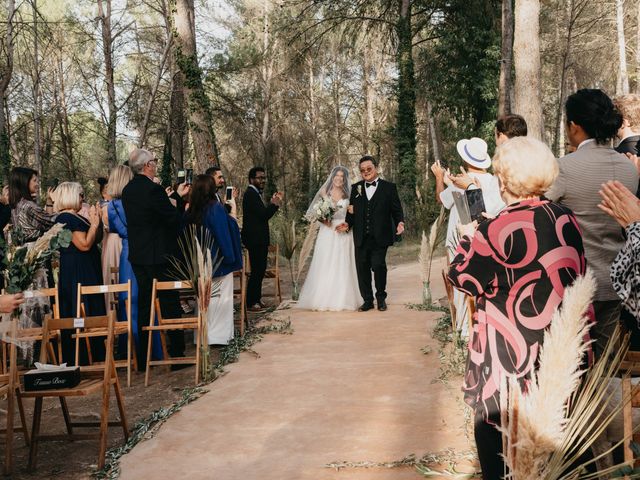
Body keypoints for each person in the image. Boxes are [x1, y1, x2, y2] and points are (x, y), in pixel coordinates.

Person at [447, 137, 588, 479]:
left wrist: (468, 236)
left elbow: (462, 277)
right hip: (560, 351)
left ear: (503, 180)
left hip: (507, 363)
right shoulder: (566, 218)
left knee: (498, 447)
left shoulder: (496, 227)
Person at [546, 88, 639, 358]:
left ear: (574, 126)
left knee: (574, 356)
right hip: (615, 280)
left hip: (576, 280)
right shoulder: (627, 168)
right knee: (608, 360)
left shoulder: (563, 167)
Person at [121, 148, 190, 370]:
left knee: (144, 304)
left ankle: (143, 358)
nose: (156, 164)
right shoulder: (154, 190)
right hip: (160, 255)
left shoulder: (128, 191)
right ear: (147, 165)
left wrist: (175, 197)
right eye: (154, 161)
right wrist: (184, 210)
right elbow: (170, 219)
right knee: (170, 301)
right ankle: (177, 354)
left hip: (139, 255)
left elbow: (151, 214)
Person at [339, 155, 404, 312]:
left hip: (380, 236)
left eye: (369, 169)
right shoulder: (356, 188)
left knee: (378, 266)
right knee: (362, 268)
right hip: (361, 236)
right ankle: (367, 300)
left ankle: (381, 298)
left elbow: (396, 209)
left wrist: (400, 222)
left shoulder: (389, 187)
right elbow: (352, 211)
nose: (366, 172)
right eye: (363, 170)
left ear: (376, 168)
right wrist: (347, 224)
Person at [184, 175, 242, 344]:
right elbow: (222, 233)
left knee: (203, 300)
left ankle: (202, 336)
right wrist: (230, 257)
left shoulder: (190, 211)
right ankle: (219, 336)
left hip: (198, 263)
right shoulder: (214, 208)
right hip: (217, 261)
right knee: (220, 299)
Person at [297, 166, 363, 311]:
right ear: (332, 177)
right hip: (328, 232)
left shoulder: (349, 193)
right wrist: (326, 222)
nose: (339, 178)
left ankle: (345, 297)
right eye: (337, 176)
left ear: (345, 179)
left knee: (344, 263)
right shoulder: (324, 192)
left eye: (342, 176)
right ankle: (324, 297)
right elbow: (316, 213)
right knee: (326, 263)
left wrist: (347, 225)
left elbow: (353, 212)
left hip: (345, 230)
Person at [54, 182, 106, 365]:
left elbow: (95, 238)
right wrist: (93, 224)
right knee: (83, 306)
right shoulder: (67, 218)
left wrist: (97, 222)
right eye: (80, 194)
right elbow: (84, 245)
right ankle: (84, 354)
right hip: (78, 270)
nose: (83, 198)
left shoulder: (74, 216)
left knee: (92, 305)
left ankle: (96, 350)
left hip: (85, 267)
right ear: (70, 196)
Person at [241, 167, 282, 312]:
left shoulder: (255, 194)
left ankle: (256, 299)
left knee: (260, 270)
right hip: (255, 239)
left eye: (264, 178)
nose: (262, 180)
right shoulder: (250, 194)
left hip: (259, 239)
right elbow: (263, 215)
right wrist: (274, 204)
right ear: (251, 179)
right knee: (257, 271)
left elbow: (260, 215)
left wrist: (271, 204)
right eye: (259, 178)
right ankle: (251, 302)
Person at [9, 167, 55, 244]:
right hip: (33, 249)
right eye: (34, 181)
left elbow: (46, 220)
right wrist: (67, 211)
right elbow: (51, 221)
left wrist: (49, 201)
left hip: (23, 249)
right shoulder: (29, 206)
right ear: (25, 182)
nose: (37, 184)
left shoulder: (17, 203)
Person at [101, 173, 122, 288]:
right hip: (112, 241)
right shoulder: (105, 207)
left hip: (119, 241)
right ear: (104, 193)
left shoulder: (116, 205)